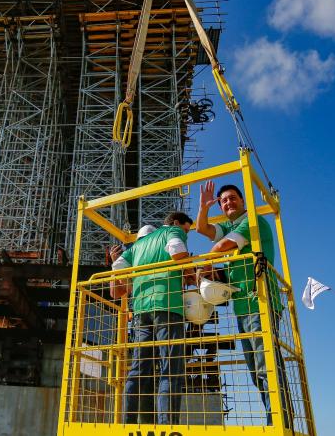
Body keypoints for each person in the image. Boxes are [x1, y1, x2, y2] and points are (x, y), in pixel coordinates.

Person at [195, 181, 290, 427]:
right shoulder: (230, 226)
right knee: (256, 370)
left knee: (265, 366)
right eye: (223, 200)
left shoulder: (253, 221)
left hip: (260, 302)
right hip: (244, 307)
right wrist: (204, 207)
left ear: (243, 201)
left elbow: (222, 246)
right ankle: (275, 421)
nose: (228, 202)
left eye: (232, 198)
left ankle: (281, 424)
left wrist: (204, 263)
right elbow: (201, 228)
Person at [110, 212, 193, 425]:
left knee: (138, 368)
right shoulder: (172, 232)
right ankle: (167, 425)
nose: (186, 233)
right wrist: (193, 272)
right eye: (186, 229)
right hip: (167, 305)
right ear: (176, 223)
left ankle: (126, 423)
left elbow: (117, 268)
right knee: (170, 368)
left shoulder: (136, 247)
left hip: (140, 311)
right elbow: (177, 250)